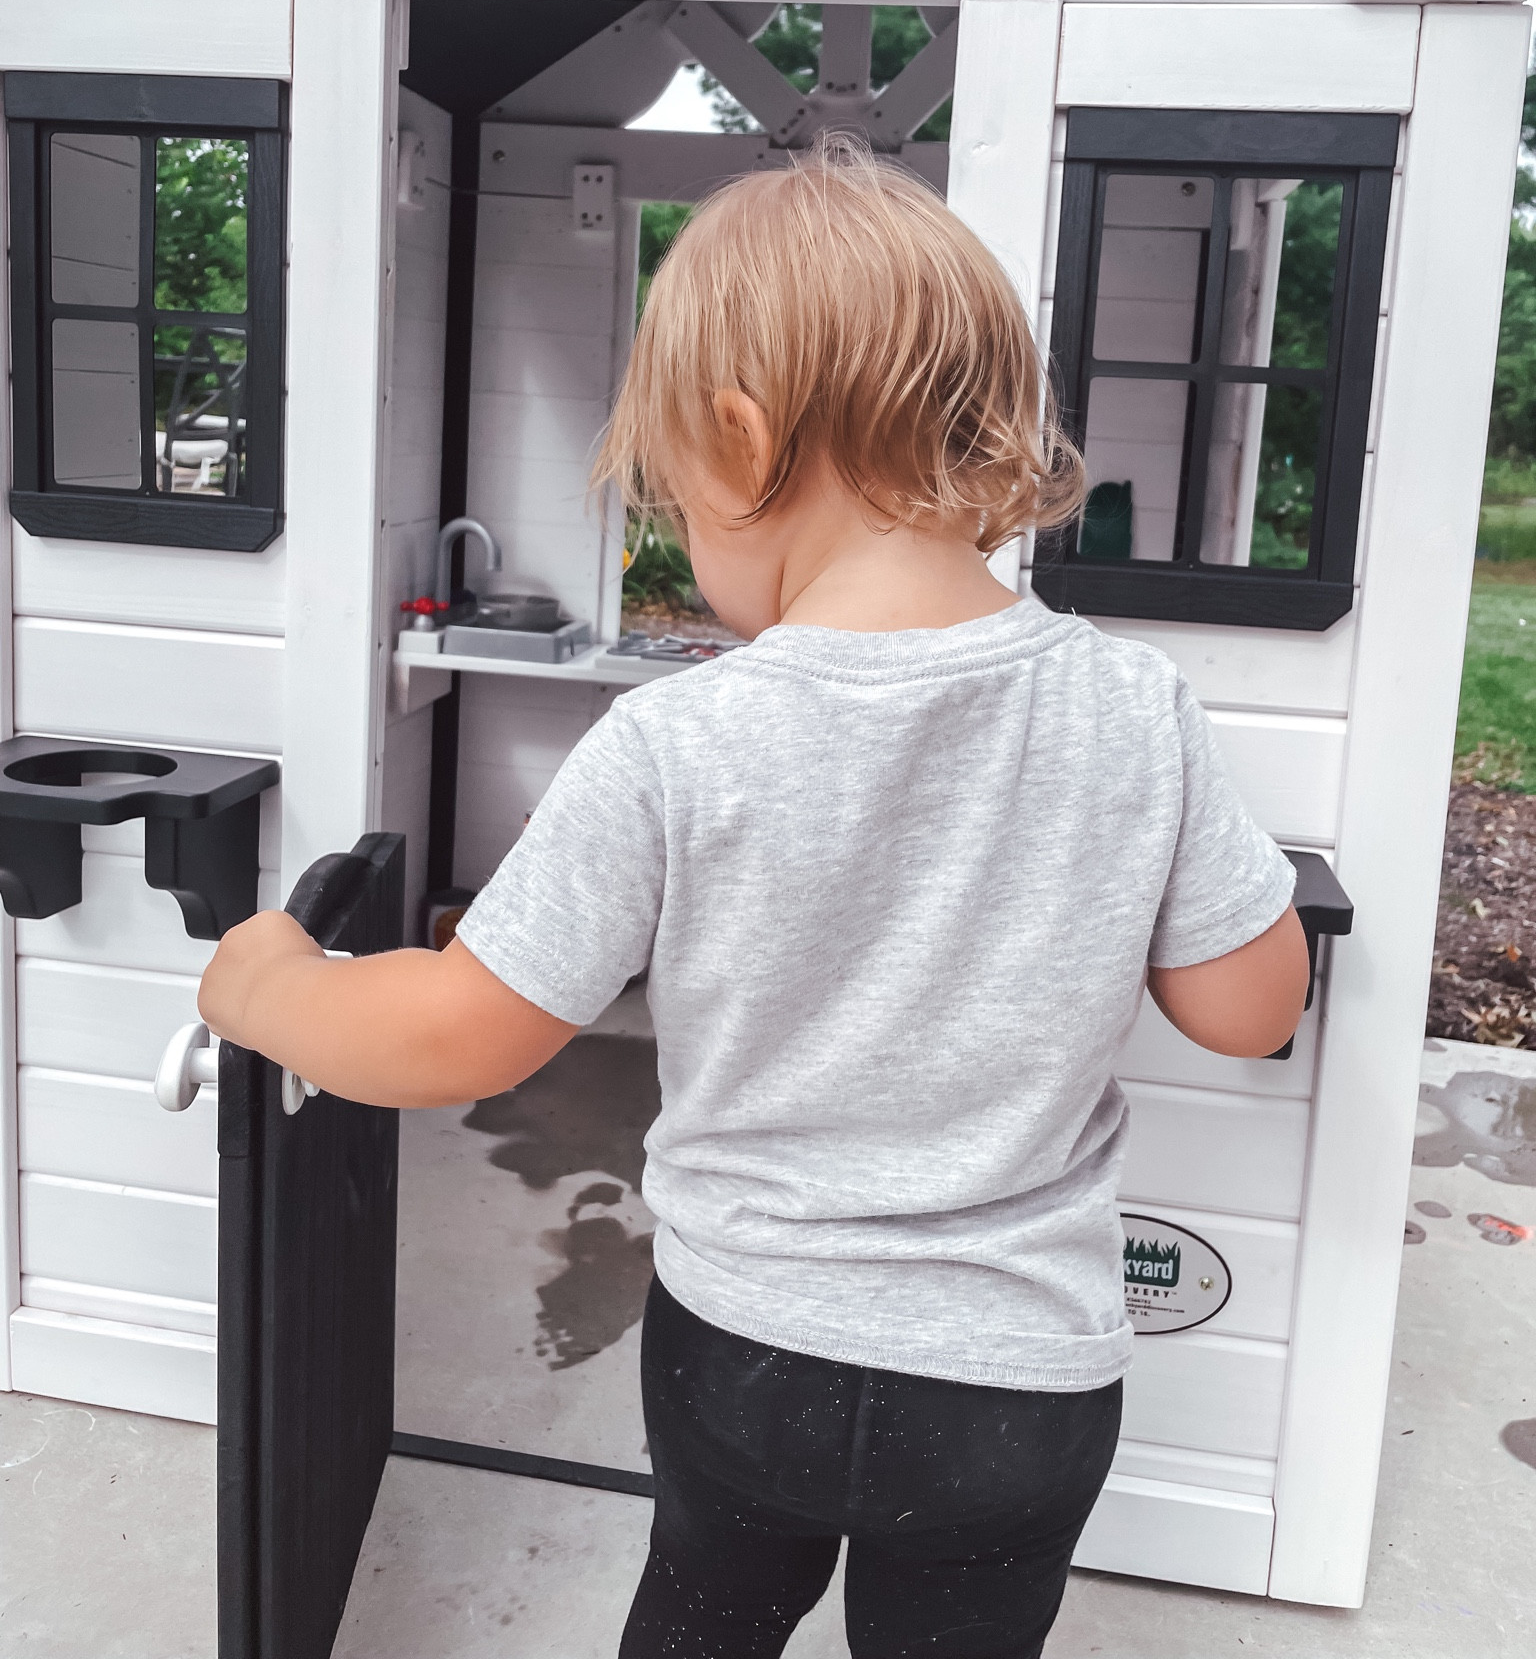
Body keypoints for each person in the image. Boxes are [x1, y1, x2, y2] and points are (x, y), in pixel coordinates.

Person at [199, 141, 1309, 1659]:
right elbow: (1251, 1014)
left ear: (738, 437)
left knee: (707, 1615)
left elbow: (454, 1039)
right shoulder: (1134, 705)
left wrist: (264, 981)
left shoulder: (681, 737)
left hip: (751, 1356)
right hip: (1022, 1380)